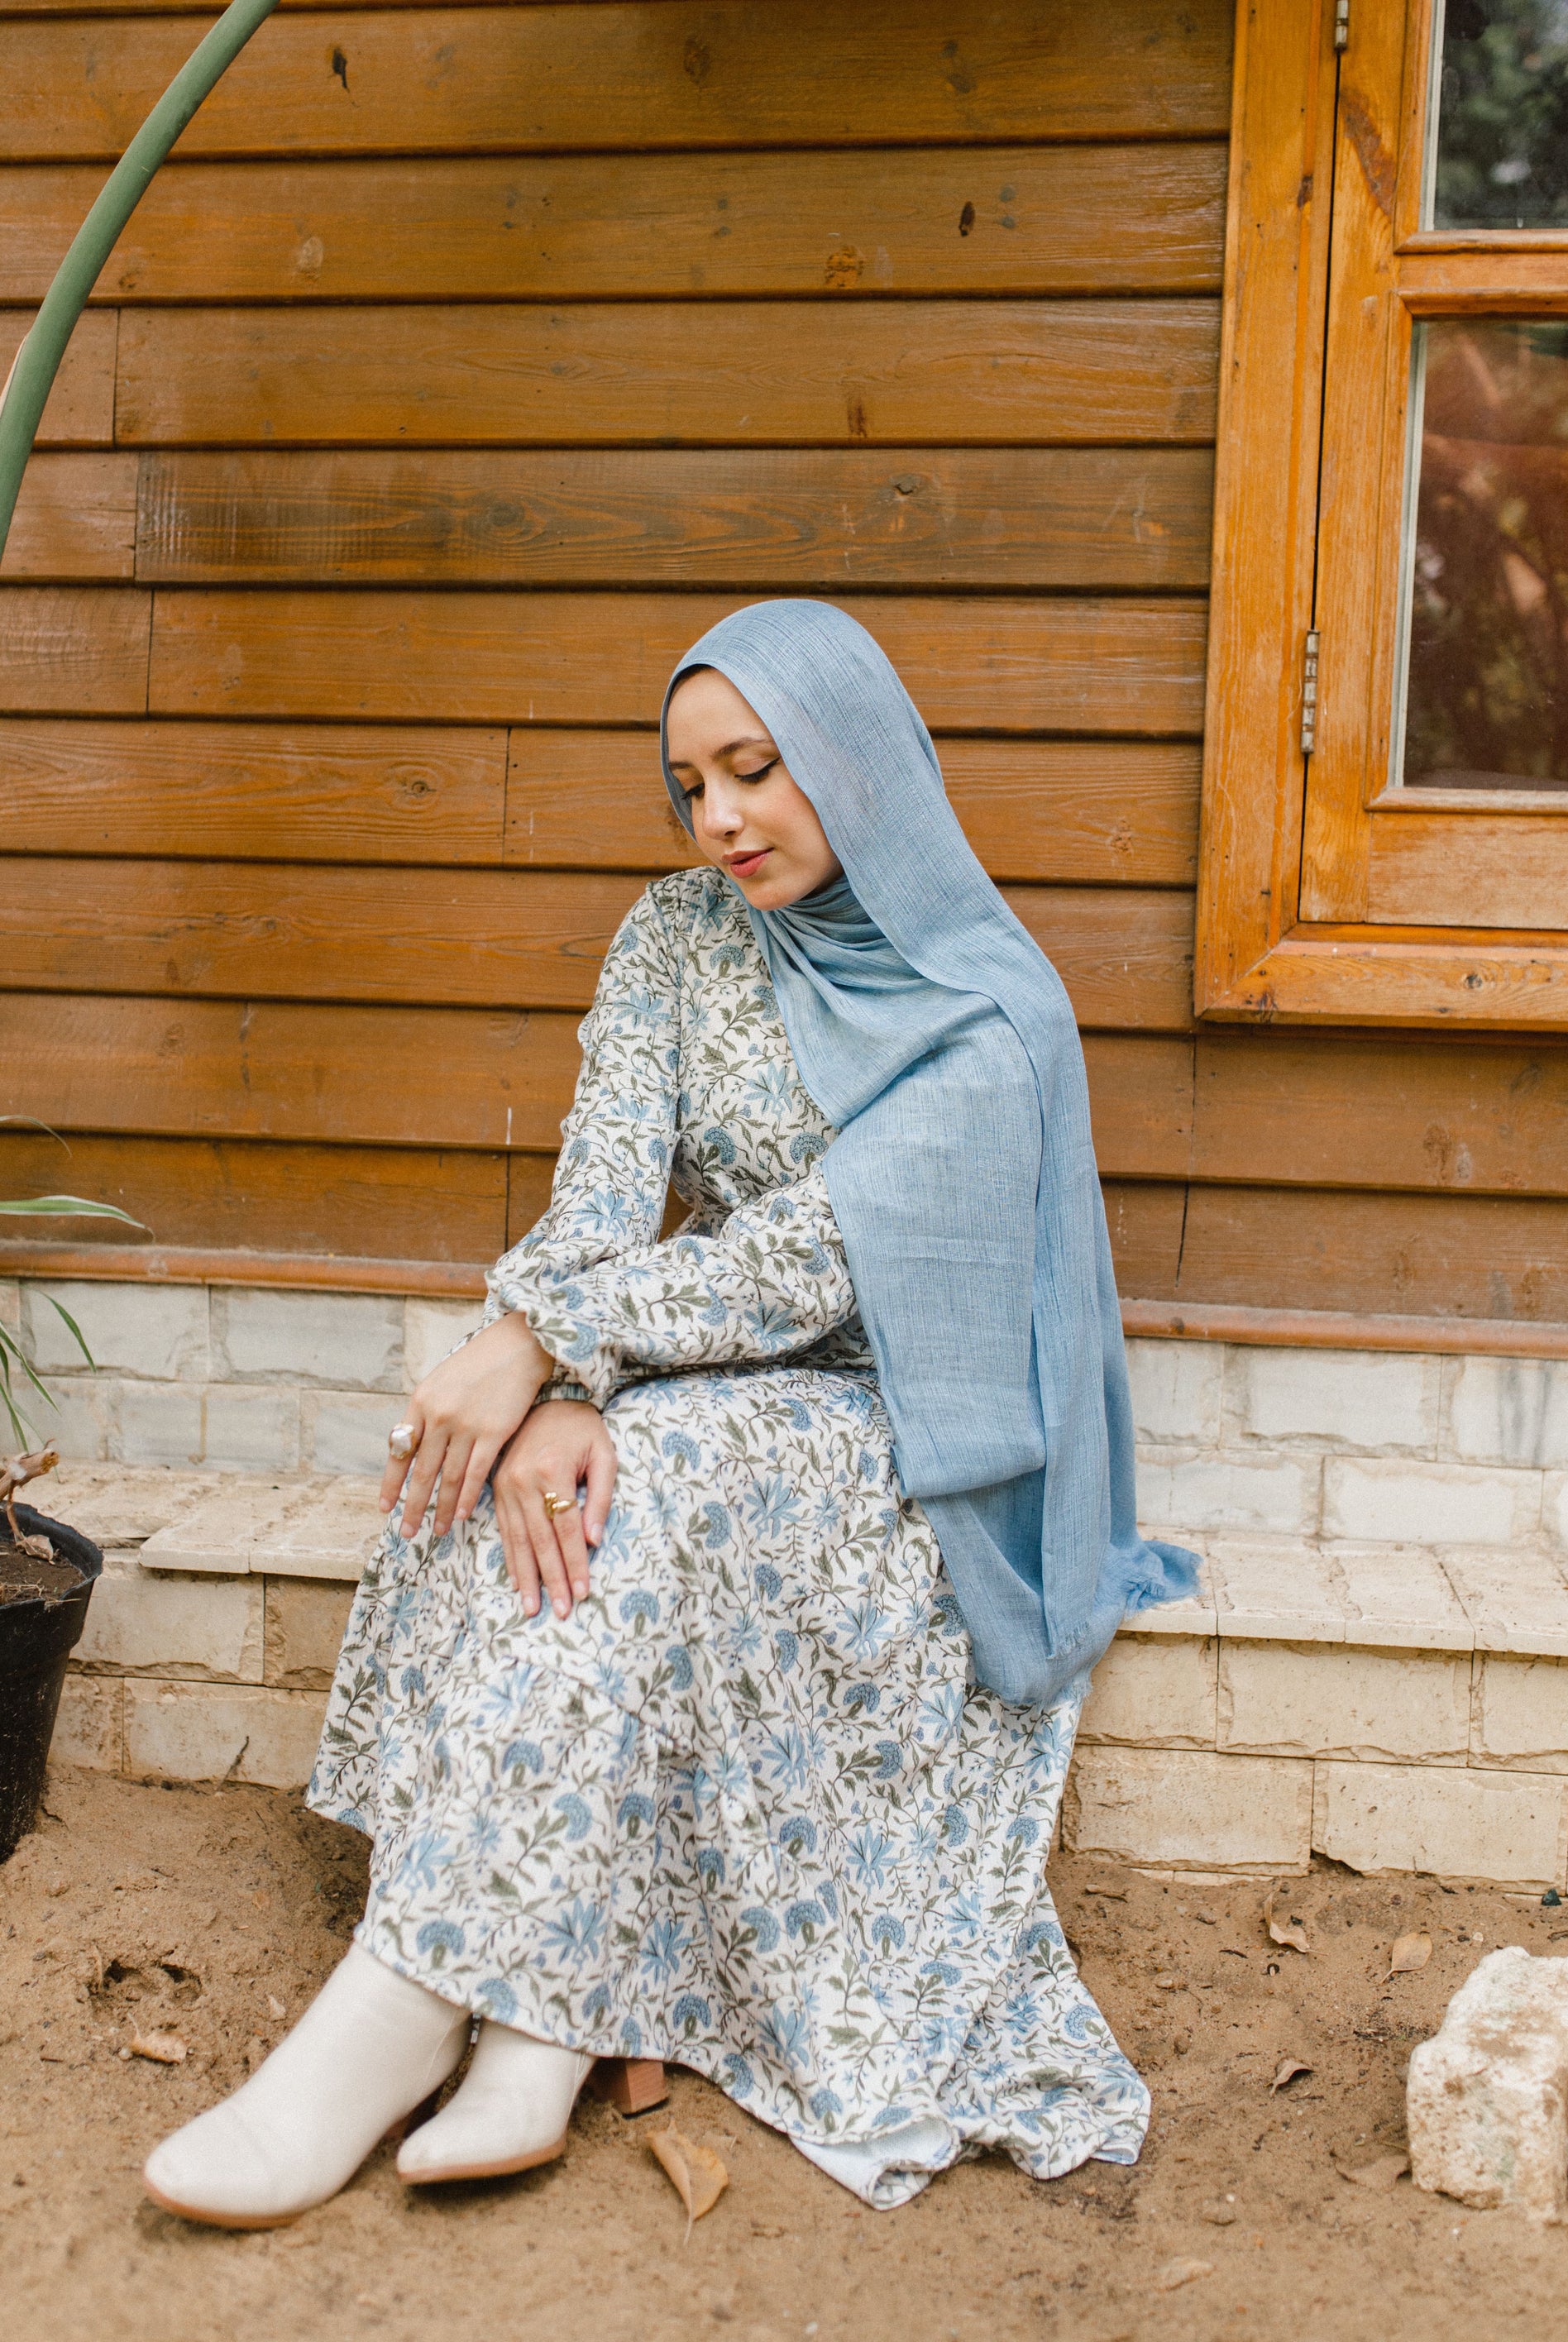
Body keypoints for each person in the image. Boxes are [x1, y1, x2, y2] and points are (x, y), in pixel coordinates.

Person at [143, 600, 1198, 2230]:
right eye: (689, 784)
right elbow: (602, 1190)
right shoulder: (678, 932)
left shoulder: (984, 1011)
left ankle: (399, 2013)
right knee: (524, 1463)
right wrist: (553, 1384)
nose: (718, 819)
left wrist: (548, 1343)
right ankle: (534, 2021)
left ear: (854, 756)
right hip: (677, 1362)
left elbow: (805, 1263)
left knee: (657, 1474)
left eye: (755, 769)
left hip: (894, 1417)